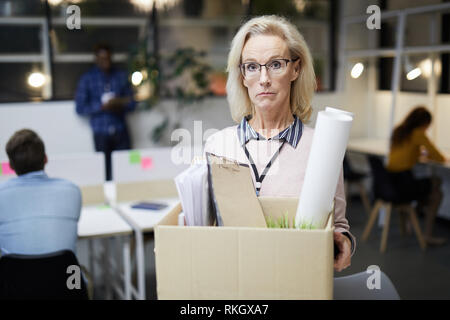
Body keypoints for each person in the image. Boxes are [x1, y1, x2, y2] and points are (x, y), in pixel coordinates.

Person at [204, 15, 355, 272]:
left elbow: (339, 225)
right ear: (242, 75)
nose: (263, 78)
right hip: (232, 279)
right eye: (251, 66)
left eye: (276, 64)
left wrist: (345, 244)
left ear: (295, 69)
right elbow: (204, 224)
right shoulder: (217, 145)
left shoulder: (322, 147)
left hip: (296, 278)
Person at [0, 129, 81, 256]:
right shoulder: (71, 190)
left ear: (10, 165)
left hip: (15, 276)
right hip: (66, 275)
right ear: (45, 159)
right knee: (78, 272)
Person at [387, 106, 449, 245]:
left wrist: (418, 153)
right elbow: (438, 156)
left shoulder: (399, 131)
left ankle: (413, 215)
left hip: (391, 182)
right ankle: (426, 234)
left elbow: (403, 152)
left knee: (433, 187)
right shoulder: (418, 134)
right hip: (404, 184)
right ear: (424, 123)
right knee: (436, 192)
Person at [75, 43, 136, 181]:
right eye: (102, 58)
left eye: (108, 58)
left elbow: (132, 103)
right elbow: (80, 108)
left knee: (126, 169)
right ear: (96, 59)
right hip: (101, 132)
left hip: (120, 130)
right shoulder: (87, 79)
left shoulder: (120, 76)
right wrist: (102, 107)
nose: (105, 61)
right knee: (104, 171)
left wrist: (118, 103)